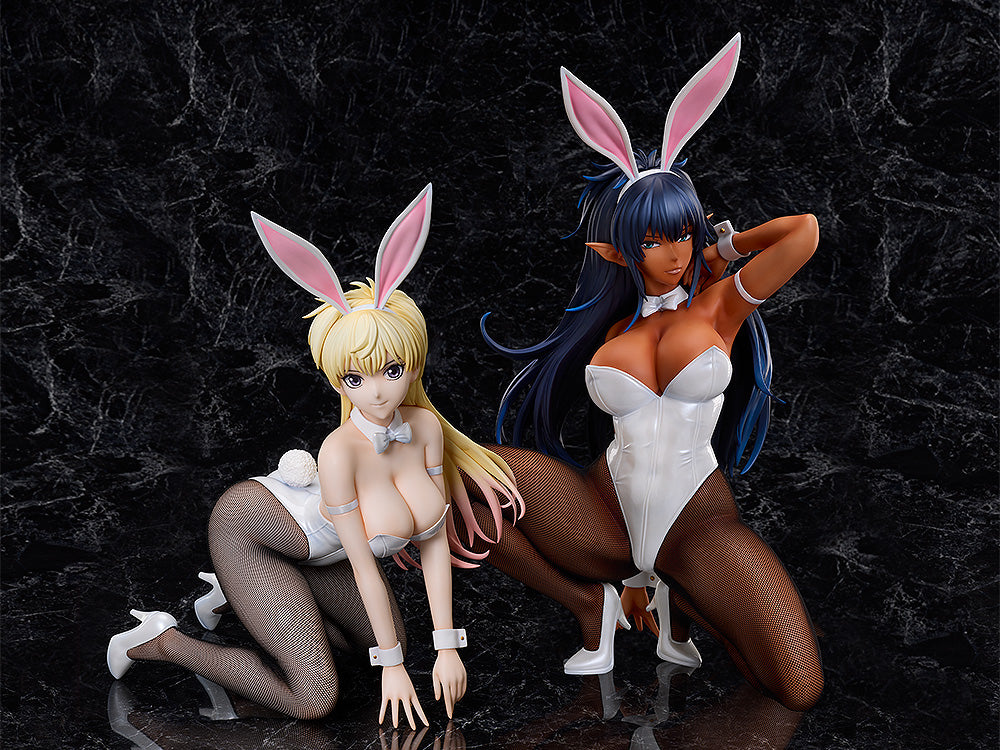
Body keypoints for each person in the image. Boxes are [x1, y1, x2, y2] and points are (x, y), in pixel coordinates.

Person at [474, 35, 824, 710]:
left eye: (682, 234)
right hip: (603, 515)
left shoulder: (719, 306)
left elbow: (803, 232)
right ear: (620, 251)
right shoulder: (611, 329)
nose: (673, 254)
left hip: (695, 522)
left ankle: (680, 596)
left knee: (798, 686)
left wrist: (725, 248)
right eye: (653, 241)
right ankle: (591, 606)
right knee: (460, 473)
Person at [106, 185, 522, 727]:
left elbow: (435, 541)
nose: (376, 392)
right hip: (251, 530)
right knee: (317, 697)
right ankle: (161, 640)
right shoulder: (340, 451)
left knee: (366, 646)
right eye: (355, 378)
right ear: (336, 379)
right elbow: (366, 569)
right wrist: (394, 666)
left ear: (414, 363)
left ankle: (238, 598)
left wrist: (447, 647)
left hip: (319, 555)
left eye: (391, 370)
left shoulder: (423, 429)